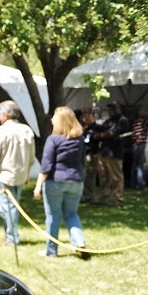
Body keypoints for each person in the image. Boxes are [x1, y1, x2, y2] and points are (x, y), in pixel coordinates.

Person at [33, 107, 88, 259]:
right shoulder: (79, 139)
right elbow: (82, 161)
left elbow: (46, 166)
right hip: (76, 181)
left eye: (54, 118)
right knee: (71, 213)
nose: (51, 120)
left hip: (56, 182)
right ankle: (79, 242)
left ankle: (51, 251)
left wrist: (38, 186)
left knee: (53, 216)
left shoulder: (54, 139)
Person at [0, 100, 35, 246]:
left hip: (5, 175)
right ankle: (9, 235)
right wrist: (28, 173)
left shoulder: (1, 130)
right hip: (21, 174)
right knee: (13, 206)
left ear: (6, 114)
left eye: (0, 112)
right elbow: (31, 157)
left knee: (6, 208)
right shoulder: (27, 130)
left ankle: (12, 238)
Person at [93, 102, 128, 205]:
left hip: (115, 152)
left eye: (114, 108)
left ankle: (118, 199)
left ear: (119, 109)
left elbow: (112, 133)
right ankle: (103, 197)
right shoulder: (108, 121)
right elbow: (98, 133)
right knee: (104, 176)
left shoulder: (123, 120)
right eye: (110, 109)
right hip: (104, 151)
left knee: (116, 177)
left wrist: (102, 135)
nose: (111, 111)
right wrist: (102, 135)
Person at [79, 110, 101, 203]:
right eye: (85, 117)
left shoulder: (98, 128)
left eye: (89, 117)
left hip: (92, 154)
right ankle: (84, 195)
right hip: (83, 154)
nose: (87, 119)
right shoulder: (83, 129)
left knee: (91, 175)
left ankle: (91, 195)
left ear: (93, 117)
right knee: (83, 175)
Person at [130, 105, 148, 190]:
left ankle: (134, 183)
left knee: (136, 164)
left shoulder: (135, 122)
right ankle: (141, 184)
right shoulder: (145, 121)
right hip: (142, 144)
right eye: (142, 111)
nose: (143, 112)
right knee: (141, 165)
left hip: (136, 144)